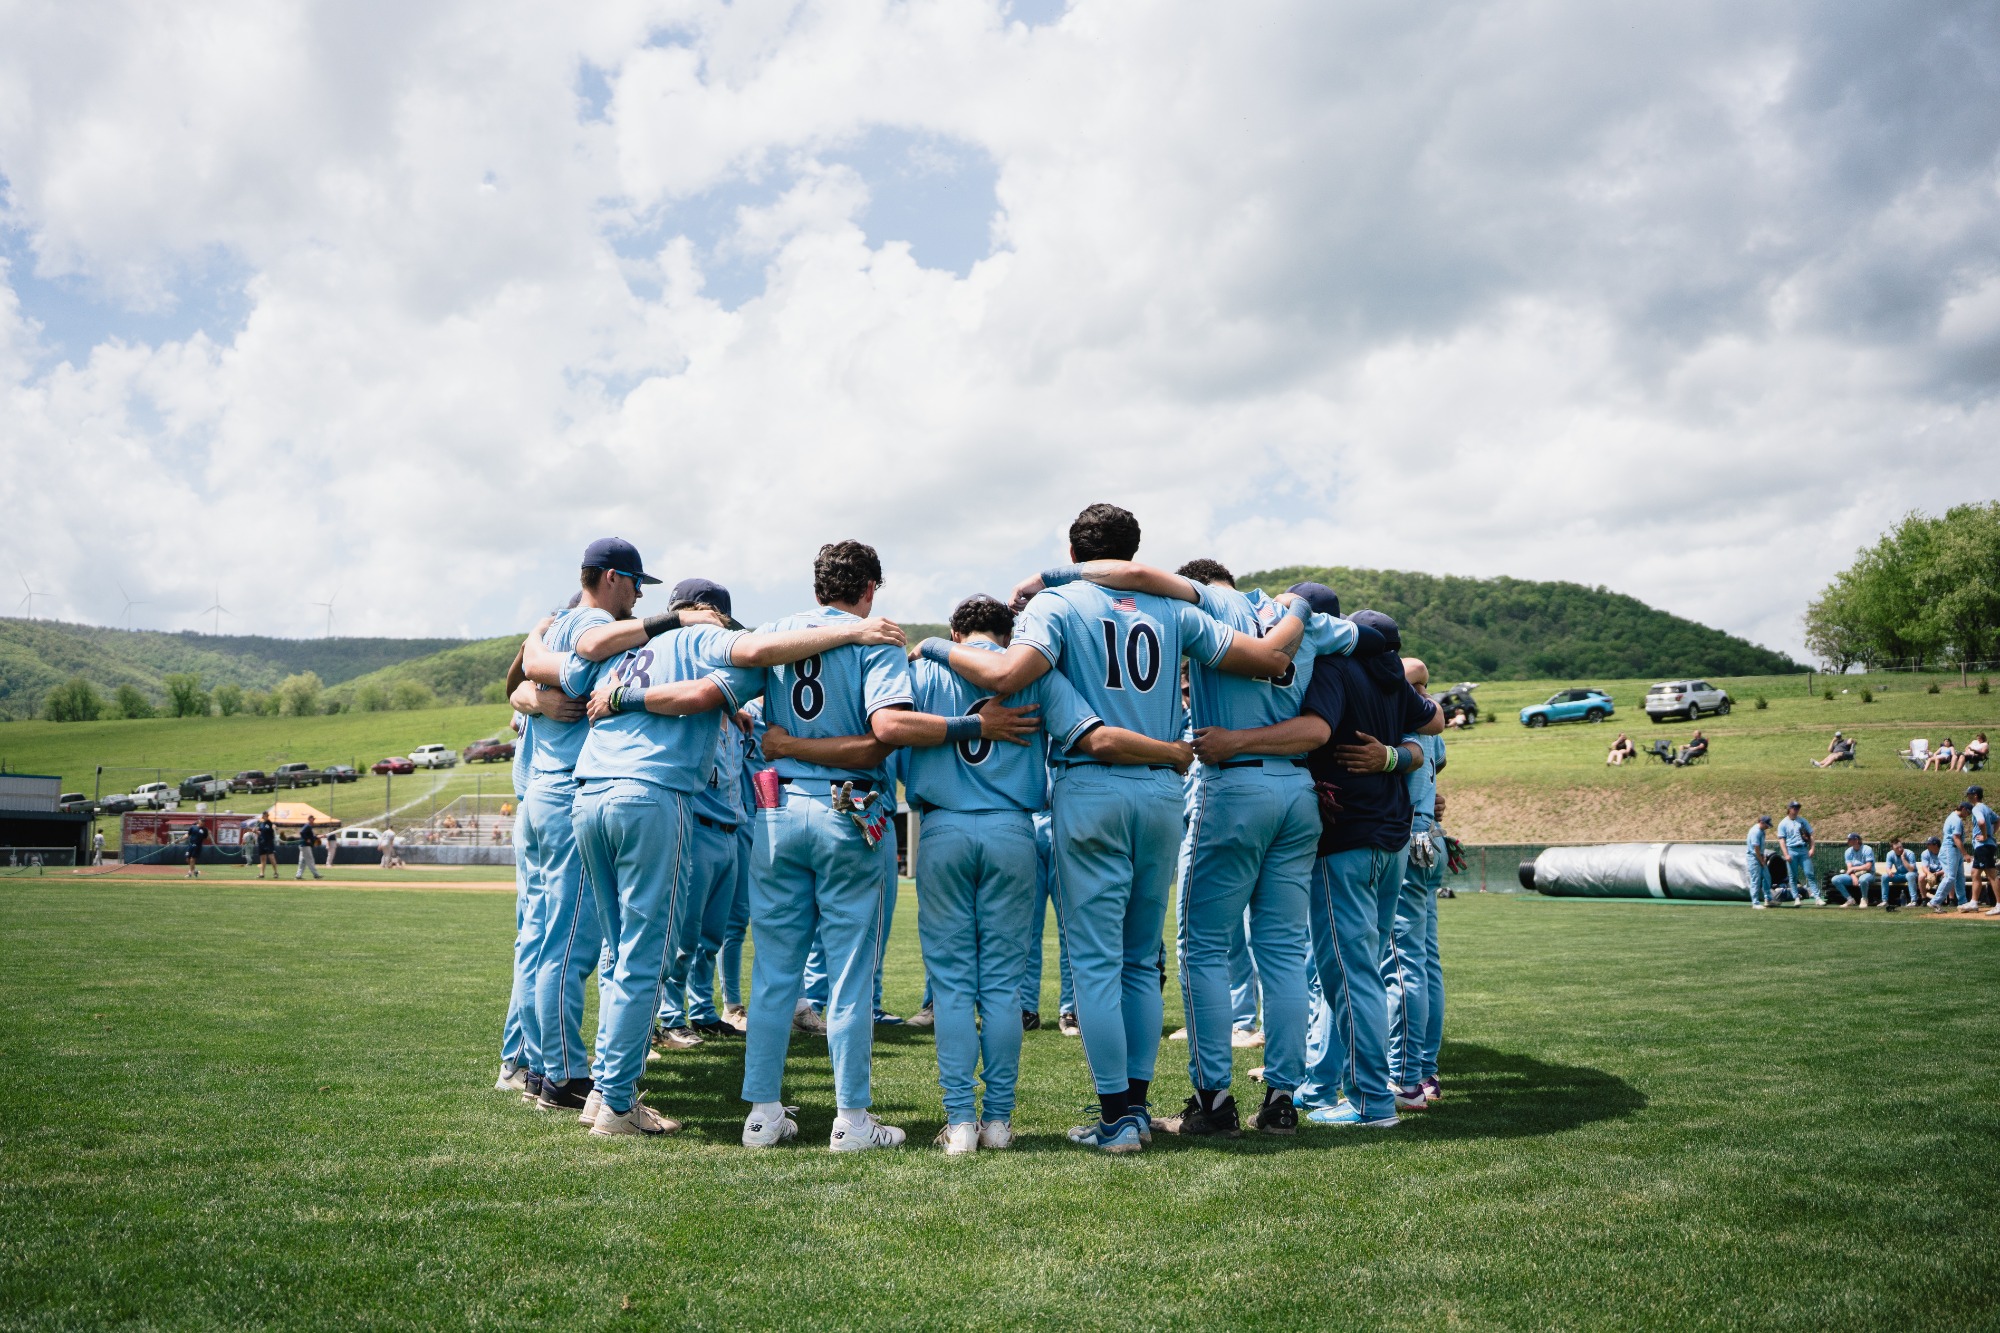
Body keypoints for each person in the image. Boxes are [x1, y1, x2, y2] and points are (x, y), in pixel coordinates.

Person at [924, 505, 1315, 1153]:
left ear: (1075, 551)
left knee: (1100, 964)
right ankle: (1133, 1107)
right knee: (1142, 960)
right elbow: (1267, 660)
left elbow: (1007, 676)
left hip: (1090, 787)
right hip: (1164, 793)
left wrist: (934, 644)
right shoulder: (1175, 610)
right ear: (1134, 551)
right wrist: (1296, 610)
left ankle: (1119, 1120)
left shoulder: (1059, 603)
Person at [522, 539, 905, 1141]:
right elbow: (738, 663)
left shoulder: (628, 637)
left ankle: (605, 1090)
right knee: (646, 953)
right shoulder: (704, 638)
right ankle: (616, 1101)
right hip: (654, 794)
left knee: (617, 952)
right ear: (712, 613)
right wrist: (850, 633)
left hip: (587, 791)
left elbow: (553, 674)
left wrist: (537, 653)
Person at [1024, 556, 1366, 1140]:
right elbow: (1369, 638)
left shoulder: (1203, 604)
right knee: (1283, 950)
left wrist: (1057, 576)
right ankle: (1283, 1099)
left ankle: (1214, 1100)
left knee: (1203, 947)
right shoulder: (1296, 612)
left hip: (1230, 785)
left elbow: (1133, 578)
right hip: (1297, 789)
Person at [733, 541, 1046, 1153]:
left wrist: (777, 740)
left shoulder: (774, 636)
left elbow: (728, 688)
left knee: (773, 972)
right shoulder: (875, 638)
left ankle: (762, 1117)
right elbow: (886, 735)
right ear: (870, 588)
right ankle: (851, 1120)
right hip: (850, 812)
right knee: (851, 976)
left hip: (778, 811)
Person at [906, 594, 1190, 1154]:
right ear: (1008, 634)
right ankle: (1001, 1122)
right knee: (1006, 988)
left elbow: (891, 739)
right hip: (1013, 829)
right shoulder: (1035, 674)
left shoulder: (920, 672)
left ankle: (962, 1123)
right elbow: (1091, 734)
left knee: (955, 988)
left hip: (941, 830)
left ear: (955, 633)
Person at [1389, 656, 1448, 1104]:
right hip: (1432, 837)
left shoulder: (1398, 722)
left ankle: (1404, 1073)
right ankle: (1426, 1070)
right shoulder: (1431, 727)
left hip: (1407, 839)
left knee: (1402, 960)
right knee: (1426, 960)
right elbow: (1438, 763)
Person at [1932, 801, 1971, 911]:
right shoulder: (1955, 819)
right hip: (1950, 849)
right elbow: (1956, 838)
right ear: (1963, 808)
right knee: (1950, 877)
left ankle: (1963, 902)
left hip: (1955, 850)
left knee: (1960, 878)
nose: (1968, 815)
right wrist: (1965, 854)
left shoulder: (1953, 818)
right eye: (1968, 812)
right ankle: (1935, 901)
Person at [1777, 801, 1819, 905]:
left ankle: (1817, 897)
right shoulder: (1783, 823)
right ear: (1789, 809)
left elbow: (1811, 836)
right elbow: (1782, 840)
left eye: (1797, 808)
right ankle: (1796, 898)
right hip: (1791, 850)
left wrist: (1812, 848)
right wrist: (1786, 854)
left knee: (1810, 873)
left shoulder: (1802, 821)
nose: (1796, 810)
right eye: (1794, 808)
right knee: (1793, 876)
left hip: (1803, 849)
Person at [1965, 785, 1997, 914]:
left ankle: (1999, 904)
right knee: (1975, 873)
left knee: (1991, 875)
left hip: (1983, 846)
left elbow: (1981, 822)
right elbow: (1998, 820)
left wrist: (1984, 836)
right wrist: (1991, 834)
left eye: (1969, 794)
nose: (1967, 796)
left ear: (1975, 795)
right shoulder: (1986, 808)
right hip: (1983, 846)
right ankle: (1973, 902)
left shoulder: (1977, 808)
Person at [1829, 833, 1876, 908]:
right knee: (1835, 879)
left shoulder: (1867, 849)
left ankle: (1864, 899)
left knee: (1863, 879)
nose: (1848, 841)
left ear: (1856, 840)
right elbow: (1849, 868)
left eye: (1850, 839)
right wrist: (1853, 876)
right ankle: (1850, 899)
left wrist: (1854, 869)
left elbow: (1868, 867)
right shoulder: (1848, 851)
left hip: (1868, 874)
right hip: (1854, 875)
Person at [1744, 815, 1774, 909]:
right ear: (1761, 822)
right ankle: (1755, 903)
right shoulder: (1755, 831)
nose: (1767, 827)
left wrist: (1763, 856)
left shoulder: (1762, 831)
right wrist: (1761, 860)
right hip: (1753, 857)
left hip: (1760, 856)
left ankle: (1768, 899)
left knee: (1767, 877)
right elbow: (1755, 848)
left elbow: (1761, 847)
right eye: (1766, 825)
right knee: (1755, 880)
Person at [1881, 837, 1916, 911]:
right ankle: (1884, 901)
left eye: (1901, 847)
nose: (1900, 849)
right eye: (1897, 848)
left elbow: (1911, 869)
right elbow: (1888, 867)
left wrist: (1903, 858)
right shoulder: (1890, 854)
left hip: (1910, 874)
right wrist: (1889, 872)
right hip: (1899, 874)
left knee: (1910, 875)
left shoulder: (1909, 853)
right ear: (1892, 849)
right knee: (1884, 876)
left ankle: (1914, 901)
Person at [1917, 836, 1945, 903]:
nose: (1927, 845)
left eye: (1929, 844)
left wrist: (1937, 874)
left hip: (1941, 873)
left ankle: (1950, 900)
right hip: (1931, 873)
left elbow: (1948, 868)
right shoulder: (1925, 853)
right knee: (1921, 877)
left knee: (1947, 876)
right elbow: (1924, 867)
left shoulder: (1944, 852)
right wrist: (1929, 874)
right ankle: (1924, 899)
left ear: (1935, 845)